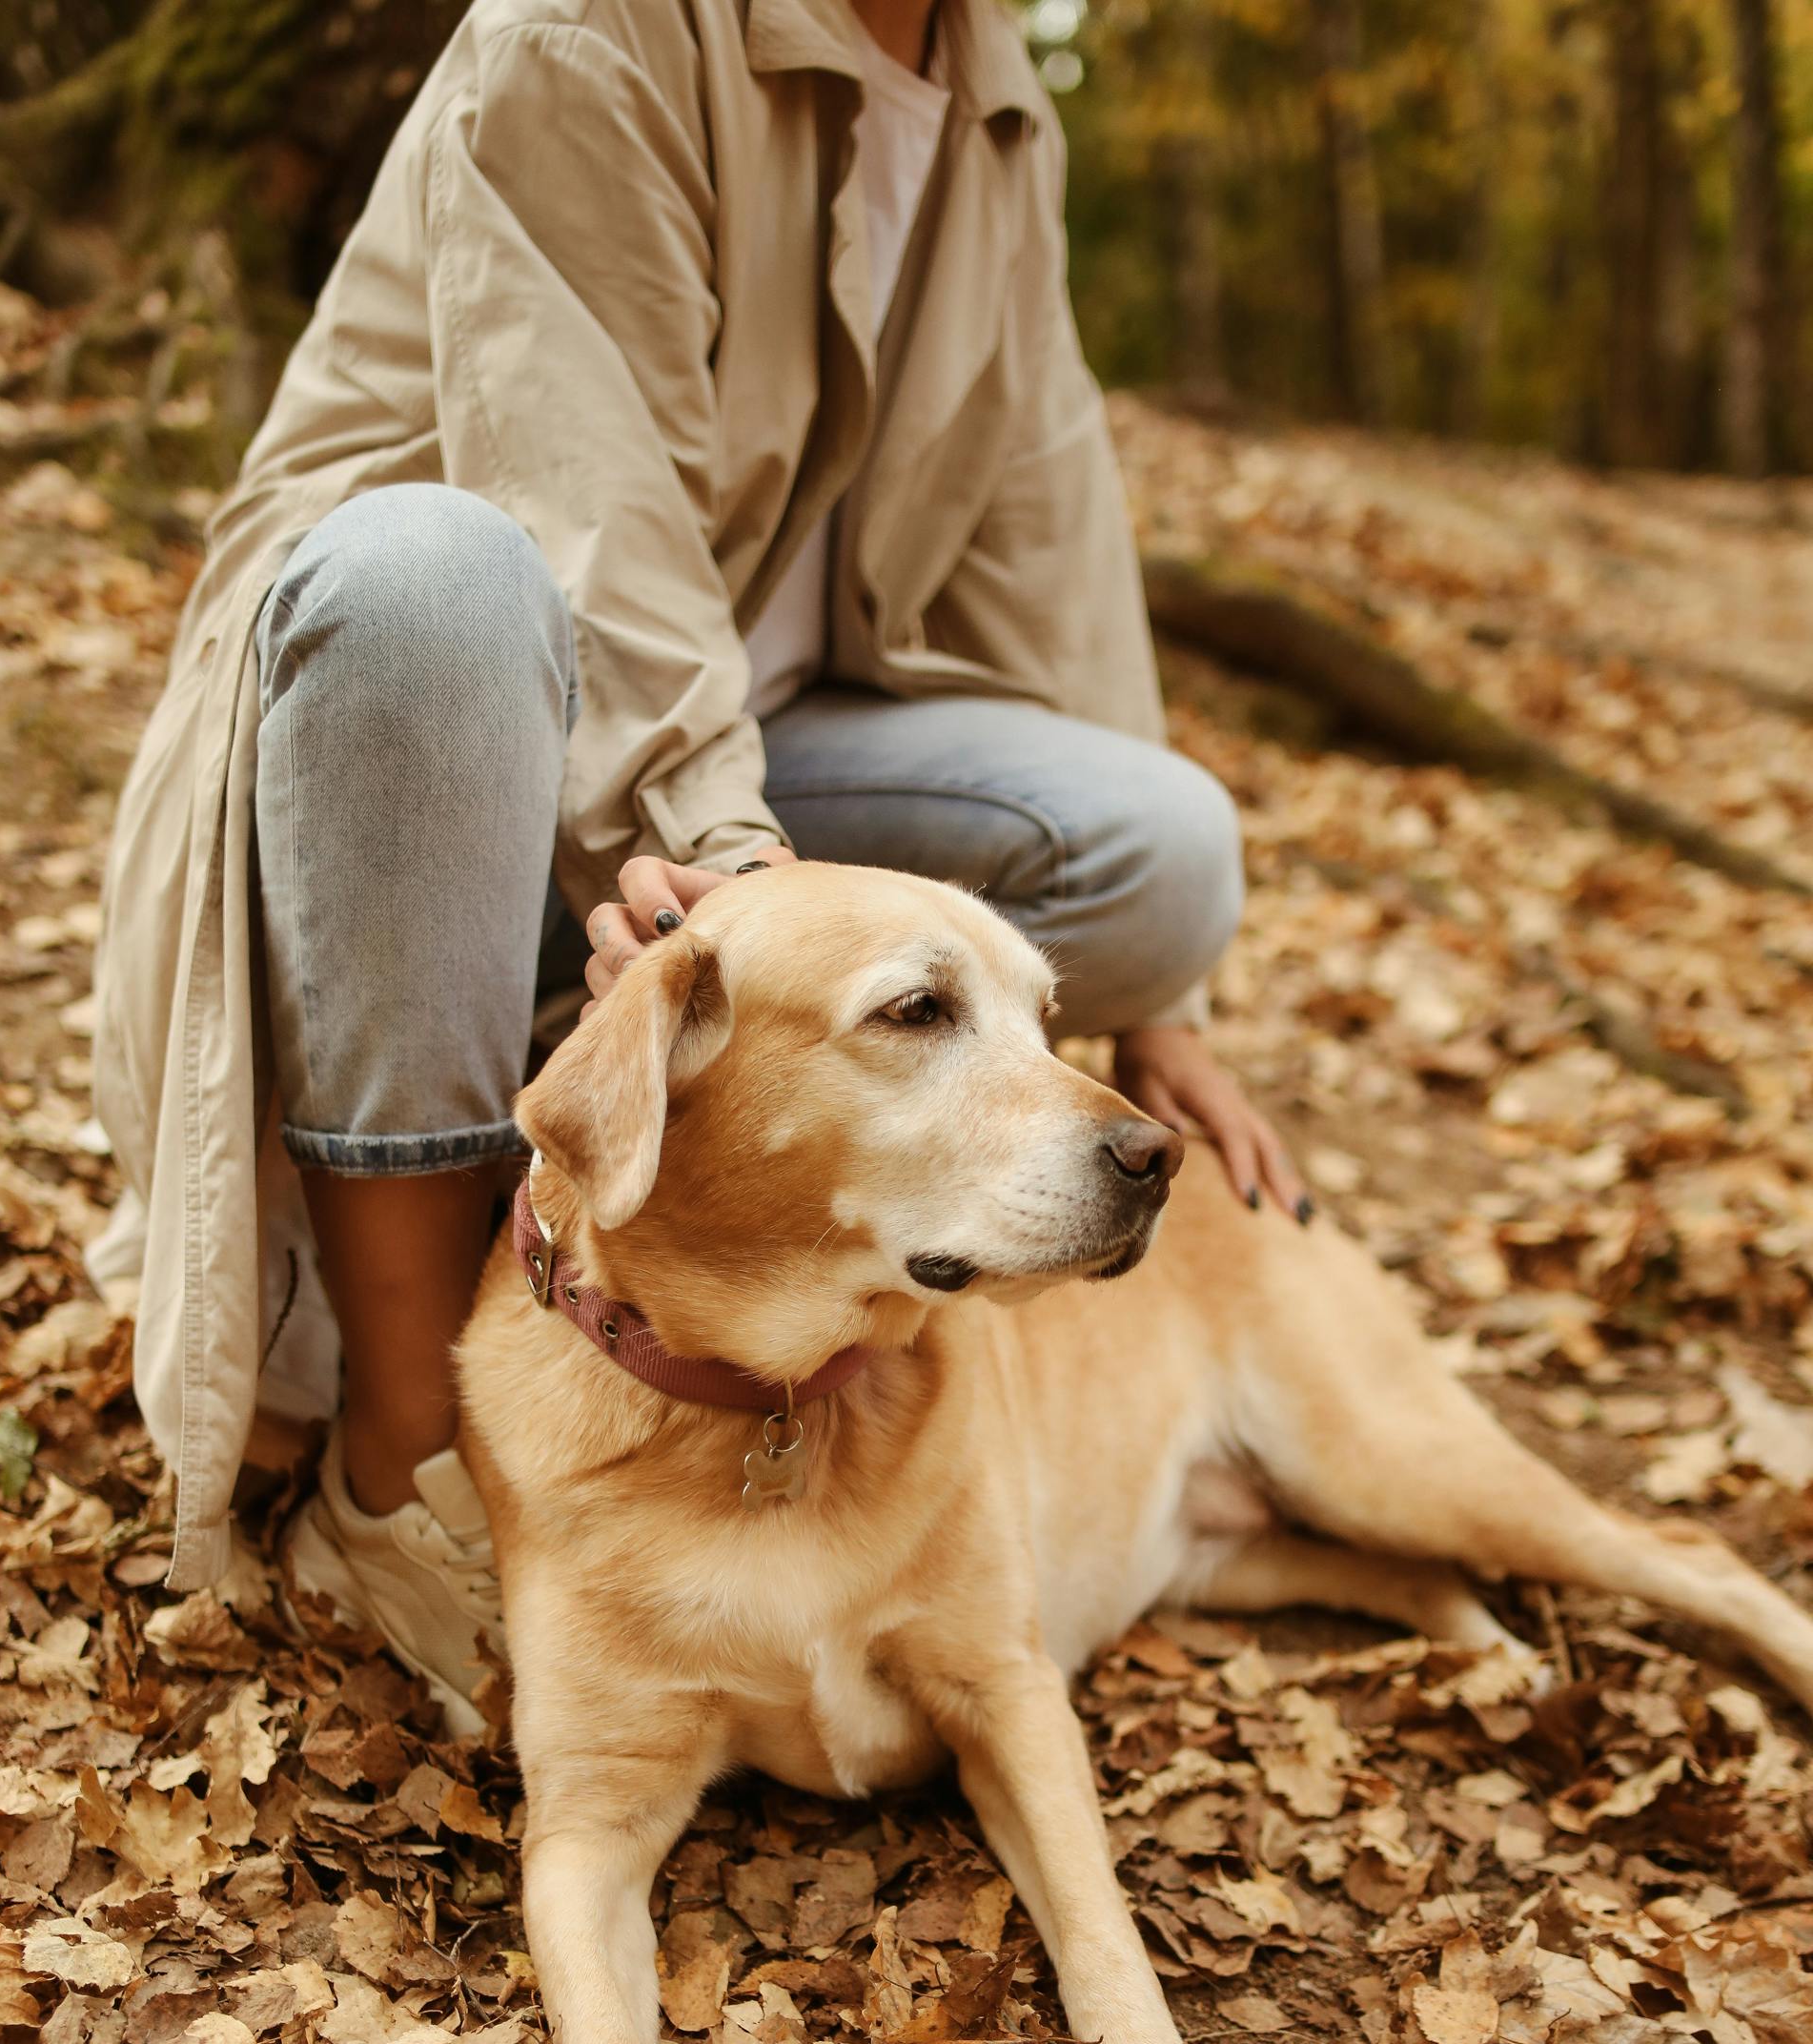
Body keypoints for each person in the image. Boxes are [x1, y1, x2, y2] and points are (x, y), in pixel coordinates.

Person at [93, 0, 1305, 1731]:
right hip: (421, 734)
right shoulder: (576, 34)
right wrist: (732, 864)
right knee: (430, 580)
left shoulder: (990, 101)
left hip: (751, 748)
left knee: (1165, 850)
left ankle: (669, 1149)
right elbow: (583, 500)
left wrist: (1156, 1001)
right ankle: (402, 1445)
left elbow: (1047, 531)